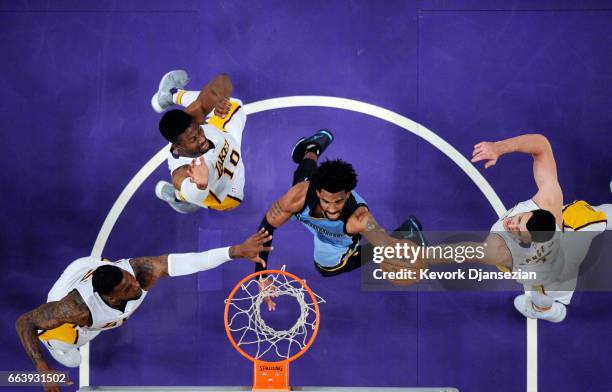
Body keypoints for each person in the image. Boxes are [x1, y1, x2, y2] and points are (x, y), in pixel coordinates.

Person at [15, 230, 271, 392]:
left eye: (131, 279)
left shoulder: (139, 271)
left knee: (111, 315)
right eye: (127, 288)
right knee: (72, 347)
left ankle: (104, 287)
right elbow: (24, 322)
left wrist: (235, 251)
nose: (136, 285)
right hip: (68, 298)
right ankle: (56, 345)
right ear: (111, 295)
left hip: (91, 271)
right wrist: (42, 367)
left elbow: (188, 261)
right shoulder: (74, 309)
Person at [429, 133, 610, 322]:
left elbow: (465, 251)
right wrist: (499, 147)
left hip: (554, 274)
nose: (511, 224)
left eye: (517, 231)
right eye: (520, 219)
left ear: (527, 242)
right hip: (562, 237)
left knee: (544, 296)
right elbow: (541, 146)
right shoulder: (549, 202)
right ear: (536, 212)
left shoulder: (501, 251)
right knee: (595, 215)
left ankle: (548, 311)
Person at [253, 129, 426, 310]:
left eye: (339, 201)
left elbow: (386, 246)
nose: (333, 208)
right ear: (318, 192)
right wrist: (261, 276)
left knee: (327, 269)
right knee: (301, 181)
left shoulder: (359, 220)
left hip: (335, 238)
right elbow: (266, 228)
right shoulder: (298, 196)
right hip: (308, 204)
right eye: (326, 201)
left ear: (348, 194)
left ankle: (404, 234)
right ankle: (312, 147)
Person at [151, 70, 246, 213]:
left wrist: (221, 99)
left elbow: (222, 79)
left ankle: (171, 95)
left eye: (199, 130)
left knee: (233, 106)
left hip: (227, 139)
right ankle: (179, 198)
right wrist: (201, 185)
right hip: (227, 190)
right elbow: (191, 189)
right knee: (191, 195)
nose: (202, 138)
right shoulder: (182, 172)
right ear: (178, 146)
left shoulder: (192, 122)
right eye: (193, 139)